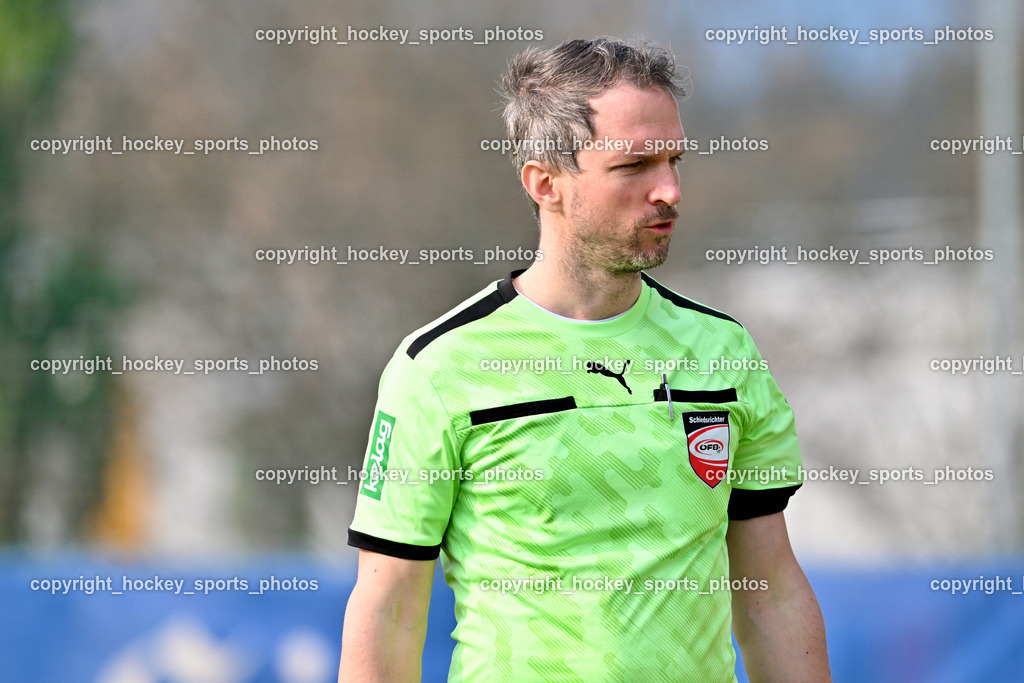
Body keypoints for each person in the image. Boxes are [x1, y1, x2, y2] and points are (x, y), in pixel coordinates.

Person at [339, 37, 830, 682]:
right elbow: (391, 608)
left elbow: (771, 590)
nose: (670, 191)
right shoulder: (440, 366)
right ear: (546, 183)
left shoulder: (724, 353)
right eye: (635, 166)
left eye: (674, 162)